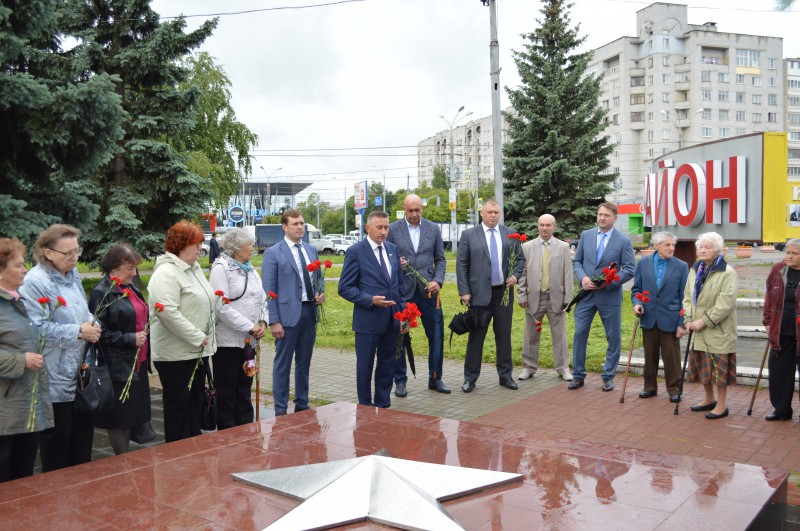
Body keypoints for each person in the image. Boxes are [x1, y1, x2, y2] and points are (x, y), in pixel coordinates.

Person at [19, 224, 101, 472]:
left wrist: (94, 323)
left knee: (82, 446)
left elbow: (83, 310)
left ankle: (80, 499)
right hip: (52, 376)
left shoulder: (72, 274)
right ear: (48, 252)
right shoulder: (35, 282)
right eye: (68, 253)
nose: (75, 257)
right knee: (57, 450)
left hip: (79, 372)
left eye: (78, 251)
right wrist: (78, 331)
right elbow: (36, 329)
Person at [148, 220, 217, 441]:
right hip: (176, 355)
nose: (200, 249)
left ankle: (192, 454)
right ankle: (176, 459)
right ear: (180, 245)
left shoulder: (194, 269)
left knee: (195, 405)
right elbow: (167, 311)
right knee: (179, 408)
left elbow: (202, 300)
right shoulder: (166, 273)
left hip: (198, 351)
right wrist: (198, 337)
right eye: (195, 244)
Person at [455, 199, 525, 393]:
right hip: (478, 295)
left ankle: (505, 376)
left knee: (504, 337)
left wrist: (515, 275)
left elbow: (520, 258)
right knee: (476, 338)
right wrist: (464, 291)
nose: (493, 215)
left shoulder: (509, 233)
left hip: (503, 294)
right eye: (489, 212)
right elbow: (461, 264)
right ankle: (470, 378)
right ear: (482, 213)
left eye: (496, 212)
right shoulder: (469, 235)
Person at [89, 244, 152, 454]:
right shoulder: (102, 292)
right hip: (118, 365)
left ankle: (127, 461)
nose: (134, 273)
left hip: (137, 362)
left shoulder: (130, 287)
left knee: (133, 412)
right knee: (119, 418)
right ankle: (121, 461)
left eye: (134, 268)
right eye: (129, 268)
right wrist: (129, 339)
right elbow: (98, 332)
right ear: (114, 267)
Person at [339, 211, 405, 408]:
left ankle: (383, 404)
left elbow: (399, 287)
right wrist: (370, 300)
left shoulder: (392, 249)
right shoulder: (355, 251)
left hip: (391, 320)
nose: (383, 232)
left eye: (386, 227)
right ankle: (365, 406)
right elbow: (344, 288)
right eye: (379, 227)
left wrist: (403, 315)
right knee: (365, 366)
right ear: (367, 228)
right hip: (368, 320)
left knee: (387, 365)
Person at [0, 238, 53, 482]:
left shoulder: (16, 300)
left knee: (23, 478)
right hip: (5, 410)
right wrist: (21, 361)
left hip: (25, 403)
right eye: (19, 265)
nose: (25, 270)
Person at [263, 210, 324, 416]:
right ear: (284, 226)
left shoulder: (311, 250)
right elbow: (269, 290)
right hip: (286, 317)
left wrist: (320, 293)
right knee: (283, 364)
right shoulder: (274, 253)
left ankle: (301, 402)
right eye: (295, 223)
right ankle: (280, 408)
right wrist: (274, 321)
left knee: (304, 362)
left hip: (309, 312)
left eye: (302, 223)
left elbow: (319, 278)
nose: (300, 227)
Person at [387, 194, 449, 396]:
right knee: (400, 335)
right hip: (403, 292)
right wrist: (397, 263)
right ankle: (400, 381)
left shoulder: (433, 228)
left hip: (428, 292)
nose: (414, 214)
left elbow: (440, 259)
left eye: (417, 210)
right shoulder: (394, 230)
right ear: (403, 210)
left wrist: (437, 281)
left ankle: (435, 378)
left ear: (422, 209)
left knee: (436, 334)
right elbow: (385, 256)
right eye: (410, 211)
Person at [570, 202, 636, 392]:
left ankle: (608, 376)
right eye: (600, 214)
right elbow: (577, 261)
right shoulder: (586, 235)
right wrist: (582, 278)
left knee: (613, 337)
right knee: (580, 333)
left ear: (615, 218)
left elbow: (630, 269)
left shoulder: (623, 241)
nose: (602, 218)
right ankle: (578, 375)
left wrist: (611, 281)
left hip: (609, 296)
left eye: (606, 215)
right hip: (586, 295)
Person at [211, 228, 267, 426]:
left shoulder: (250, 269)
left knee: (244, 388)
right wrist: (249, 326)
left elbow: (262, 299)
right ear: (236, 248)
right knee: (227, 392)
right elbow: (221, 307)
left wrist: (263, 322)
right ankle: (227, 436)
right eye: (248, 245)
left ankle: (246, 431)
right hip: (228, 343)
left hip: (248, 343)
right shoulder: (221, 268)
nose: (252, 248)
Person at [682, 231, 738, 420]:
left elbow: (725, 304)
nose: (702, 250)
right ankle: (709, 399)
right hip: (697, 328)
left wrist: (703, 321)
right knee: (703, 365)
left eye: (707, 247)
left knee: (718, 370)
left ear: (718, 250)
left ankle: (721, 406)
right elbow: (688, 297)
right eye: (700, 246)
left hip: (718, 329)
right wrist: (688, 319)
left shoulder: (727, 272)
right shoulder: (694, 269)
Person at [631, 232, 689, 403]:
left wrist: (682, 323)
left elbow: (685, 297)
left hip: (670, 318)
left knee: (671, 357)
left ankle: (674, 389)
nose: (671, 248)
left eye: (673, 245)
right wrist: (636, 303)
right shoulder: (643, 263)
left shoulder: (681, 266)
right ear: (656, 246)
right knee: (649, 355)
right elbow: (637, 290)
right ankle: (649, 387)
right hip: (648, 316)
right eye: (667, 245)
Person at [517, 214, 573, 382]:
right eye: (542, 225)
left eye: (548, 225)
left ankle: (563, 368)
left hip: (556, 297)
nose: (545, 228)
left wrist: (568, 298)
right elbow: (522, 274)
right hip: (534, 297)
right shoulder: (527, 247)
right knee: (530, 335)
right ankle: (529, 367)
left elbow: (568, 274)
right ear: (538, 226)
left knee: (559, 335)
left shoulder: (563, 247)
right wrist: (521, 294)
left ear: (554, 227)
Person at [762, 238, 800, 421]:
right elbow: (769, 296)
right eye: (788, 252)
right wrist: (768, 321)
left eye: (795, 253)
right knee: (779, 373)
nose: (789, 256)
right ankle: (781, 409)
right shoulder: (778, 269)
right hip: (781, 331)